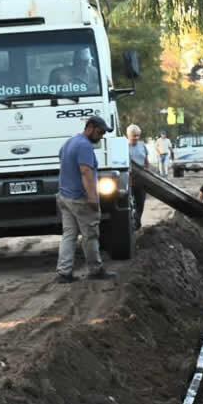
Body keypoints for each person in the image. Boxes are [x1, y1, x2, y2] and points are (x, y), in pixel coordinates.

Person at [56, 116, 118, 283]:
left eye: (103, 133)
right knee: (90, 234)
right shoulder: (84, 146)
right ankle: (96, 270)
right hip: (79, 198)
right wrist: (92, 197)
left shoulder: (70, 142)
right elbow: (85, 172)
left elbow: (62, 161)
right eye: (99, 132)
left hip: (64, 196)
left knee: (69, 235)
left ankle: (64, 272)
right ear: (90, 127)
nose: (101, 136)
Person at [126, 124, 149, 230]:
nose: (136, 138)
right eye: (134, 135)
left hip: (141, 178)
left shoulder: (142, 145)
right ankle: (132, 223)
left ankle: (137, 222)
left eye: (138, 135)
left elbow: (146, 161)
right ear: (128, 135)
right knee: (130, 203)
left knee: (140, 202)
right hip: (129, 178)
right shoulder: (124, 146)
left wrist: (147, 173)